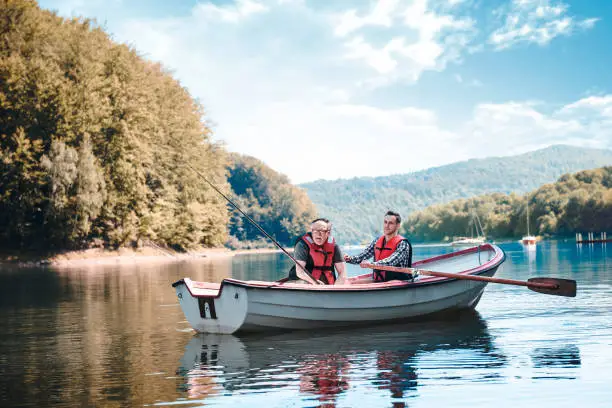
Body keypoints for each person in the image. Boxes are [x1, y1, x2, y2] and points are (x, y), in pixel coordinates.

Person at [344, 210, 414, 282]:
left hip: (398, 282)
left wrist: (371, 264)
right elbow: (363, 256)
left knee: (391, 282)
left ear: (398, 225)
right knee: (352, 283)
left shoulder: (403, 244)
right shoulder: (377, 241)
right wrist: (349, 259)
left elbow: (390, 262)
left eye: (390, 223)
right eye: (385, 222)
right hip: (380, 280)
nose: (387, 226)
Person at [288, 218, 349, 285]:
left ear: (328, 233)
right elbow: (300, 272)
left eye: (322, 231)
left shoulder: (334, 246)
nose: (319, 234)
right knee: (305, 283)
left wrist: (334, 290)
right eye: (315, 231)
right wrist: (314, 282)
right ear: (311, 231)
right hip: (304, 280)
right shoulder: (302, 245)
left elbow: (342, 273)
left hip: (327, 284)